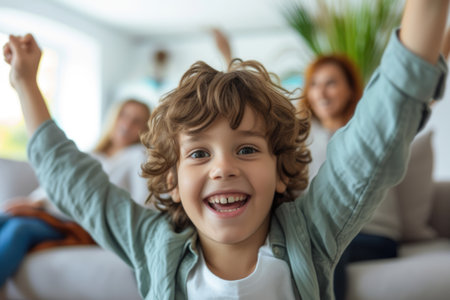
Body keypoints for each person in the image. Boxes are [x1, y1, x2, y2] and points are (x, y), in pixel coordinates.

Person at [2, 1, 448, 298]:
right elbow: (75, 181)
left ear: (279, 171)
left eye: (248, 149)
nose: (223, 168)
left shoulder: (311, 233)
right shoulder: (154, 244)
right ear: (172, 181)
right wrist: (25, 85)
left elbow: (375, 137)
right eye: (199, 153)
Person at [0, 98, 151, 287]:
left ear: (145, 130)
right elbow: (58, 183)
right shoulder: (89, 156)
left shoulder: (138, 157)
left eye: (137, 121)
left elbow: (142, 203)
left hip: (76, 223)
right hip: (48, 212)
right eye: (124, 116)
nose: (127, 125)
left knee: (19, 228)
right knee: (5, 218)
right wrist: (33, 202)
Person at [301, 54, 400, 300]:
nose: (321, 92)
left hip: (375, 235)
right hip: (326, 232)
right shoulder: (302, 139)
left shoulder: (369, 132)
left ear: (349, 89)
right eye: (314, 84)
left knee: (326, 245)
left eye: (331, 83)